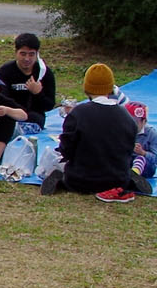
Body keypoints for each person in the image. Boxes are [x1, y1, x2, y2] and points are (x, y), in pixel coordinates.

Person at [40, 65, 148, 202]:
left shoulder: (78, 114)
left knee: (61, 166)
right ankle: (128, 178)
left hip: (81, 180)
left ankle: (60, 178)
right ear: (110, 88)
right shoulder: (127, 117)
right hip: (117, 180)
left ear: (87, 88)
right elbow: (128, 149)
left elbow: (66, 149)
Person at [0, 33, 56, 127]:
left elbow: (49, 105)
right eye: (23, 54)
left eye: (31, 54)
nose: (27, 59)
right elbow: (1, 99)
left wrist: (38, 93)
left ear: (37, 54)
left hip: (34, 118)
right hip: (11, 114)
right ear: (16, 52)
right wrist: (18, 113)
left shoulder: (44, 73)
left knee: (35, 118)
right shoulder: (5, 72)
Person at [127, 101, 157, 182]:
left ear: (144, 121)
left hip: (145, 167)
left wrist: (143, 153)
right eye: (128, 121)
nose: (131, 125)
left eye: (135, 122)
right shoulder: (121, 130)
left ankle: (134, 176)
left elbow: (156, 161)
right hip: (127, 163)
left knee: (140, 159)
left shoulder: (151, 134)